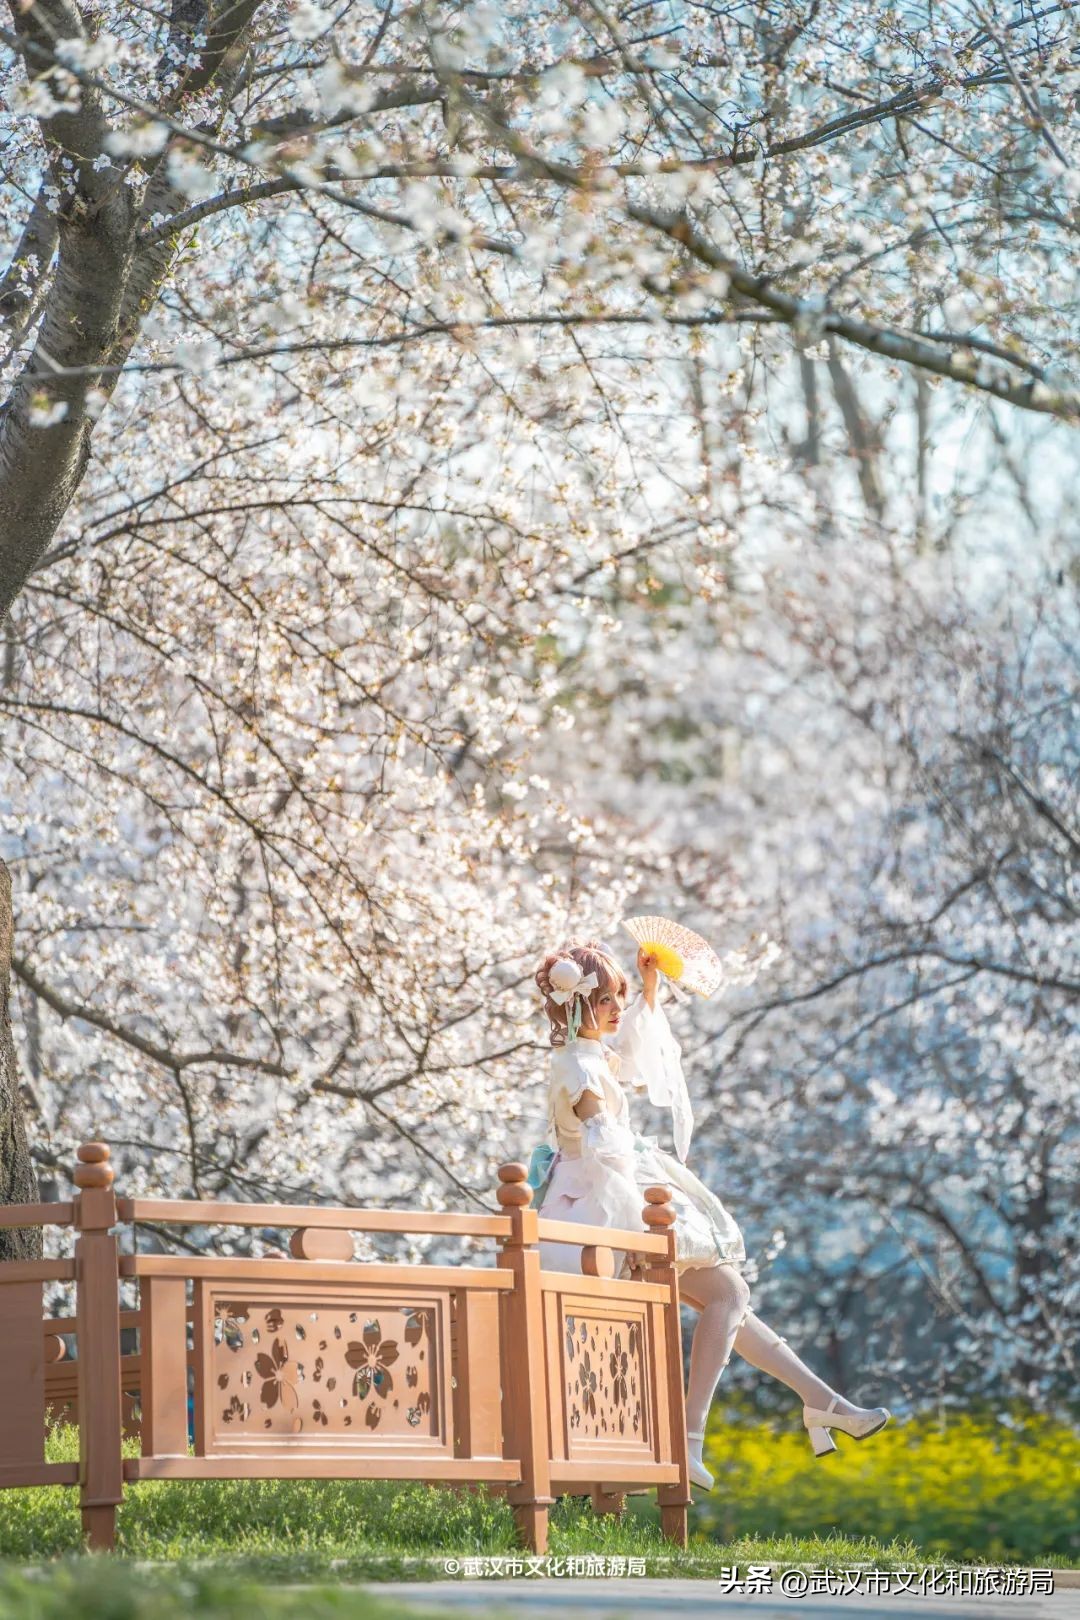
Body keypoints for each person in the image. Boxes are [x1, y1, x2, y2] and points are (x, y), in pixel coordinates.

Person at [532, 937, 890, 1488]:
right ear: (579, 1002)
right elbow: (603, 1137)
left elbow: (625, 1062)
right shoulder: (578, 1067)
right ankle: (694, 1436)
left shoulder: (586, 1056)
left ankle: (822, 1402)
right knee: (730, 1295)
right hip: (604, 1204)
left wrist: (650, 991)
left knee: (730, 1298)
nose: (616, 1009)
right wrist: (636, 1165)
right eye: (607, 999)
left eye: (617, 998)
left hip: (609, 1192)